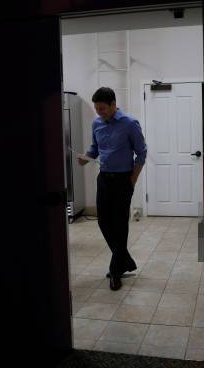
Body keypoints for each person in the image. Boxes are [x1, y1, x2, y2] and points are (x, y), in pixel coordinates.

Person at [77, 87, 147, 290]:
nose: (99, 112)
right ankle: (125, 262)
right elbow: (95, 149)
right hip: (104, 180)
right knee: (103, 223)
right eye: (97, 109)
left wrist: (132, 181)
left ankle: (115, 271)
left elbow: (141, 154)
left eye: (102, 109)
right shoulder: (97, 123)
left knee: (119, 226)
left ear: (113, 104)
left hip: (123, 180)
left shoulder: (129, 124)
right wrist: (86, 158)